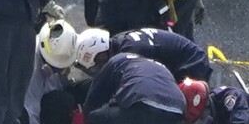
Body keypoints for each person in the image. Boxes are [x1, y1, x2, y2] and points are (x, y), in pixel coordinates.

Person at [81, 52, 187, 124]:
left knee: (95, 118)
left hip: (142, 109)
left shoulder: (117, 60)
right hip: (175, 116)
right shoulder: (160, 67)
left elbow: (93, 99)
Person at [24, 19, 89, 124]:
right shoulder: (31, 67)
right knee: (60, 101)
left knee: (88, 87)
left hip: (56, 90)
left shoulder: (68, 44)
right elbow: (30, 111)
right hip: (46, 106)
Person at [73, 27, 212, 81]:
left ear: (102, 55)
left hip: (192, 64)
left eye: (97, 64)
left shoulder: (132, 52)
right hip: (179, 62)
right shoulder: (120, 42)